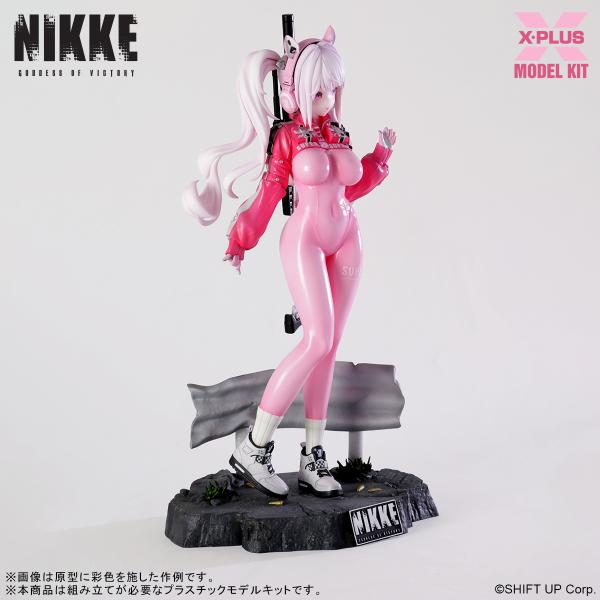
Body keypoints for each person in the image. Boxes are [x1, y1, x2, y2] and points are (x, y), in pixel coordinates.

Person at [183, 26, 396, 499]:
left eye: (333, 88)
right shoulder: (287, 137)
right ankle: (255, 447)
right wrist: (241, 239)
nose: (328, 98)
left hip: (348, 237)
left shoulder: (338, 132)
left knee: (329, 345)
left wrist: (379, 159)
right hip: (305, 239)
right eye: (318, 89)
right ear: (296, 87)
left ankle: (313, 456)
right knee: (316, 338)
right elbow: (268, 193)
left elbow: (352, 188)